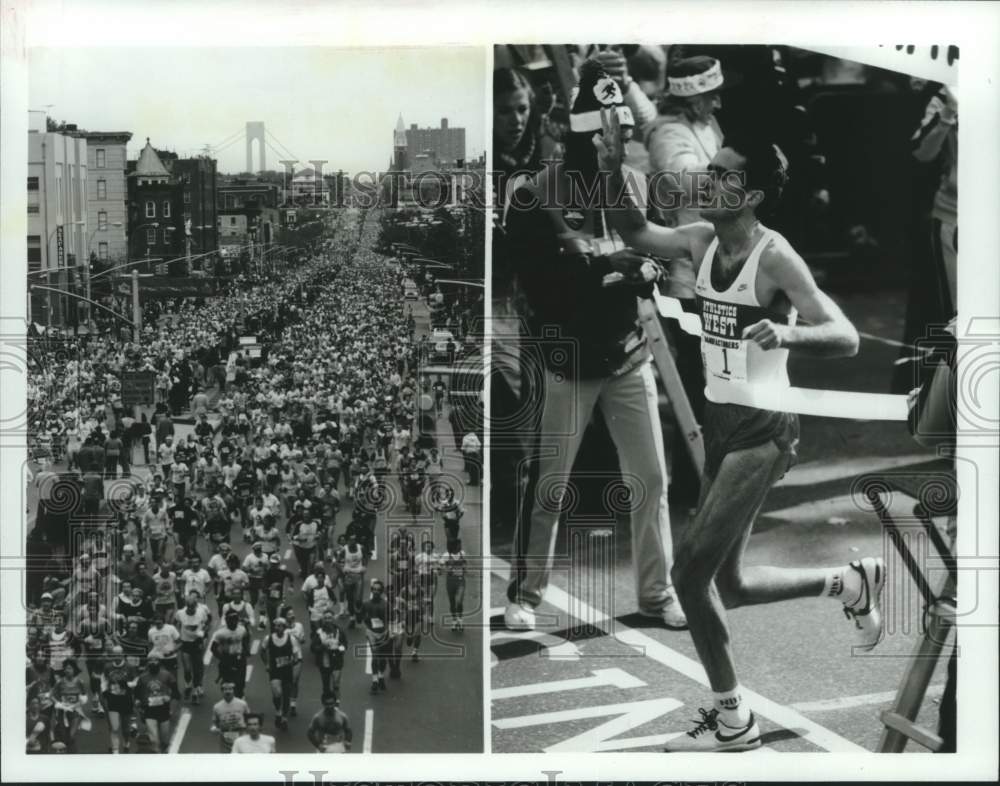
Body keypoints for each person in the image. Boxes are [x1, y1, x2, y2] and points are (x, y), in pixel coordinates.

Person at [598, 112, 886, 751]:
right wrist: (610, 161)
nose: (708, 177)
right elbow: (635, 229)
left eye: (723, 174)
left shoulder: (775, 256)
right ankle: (847, 581)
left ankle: (734, 722)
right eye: (712, 167)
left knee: (689, 574)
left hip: (765, 430)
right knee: (732, 583)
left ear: (750, 195)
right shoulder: (702, 240)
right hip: (721, 424)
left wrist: (787, 331)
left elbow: (845, 335)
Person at [500, 60, 686, 634]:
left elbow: (655, 249)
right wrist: (607, 266)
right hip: (566, 359)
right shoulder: (536, 193)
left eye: (626, 131)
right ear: (587, 134)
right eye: (614, 133)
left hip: (628, 351)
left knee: (652, 477)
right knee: (550, 481)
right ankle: (526, 595)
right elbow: (535, 283)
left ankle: (657, 592)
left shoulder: (630, 183)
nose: (624, 141)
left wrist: (648, 267)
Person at [134, 652, 180, 754]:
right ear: (147, 663)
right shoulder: (142, 677)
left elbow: (176, 693)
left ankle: (163, 753)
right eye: (150, 660)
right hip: (149, 711)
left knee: (165, 741)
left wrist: (171, 707)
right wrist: (139, 705)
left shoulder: (167, 675)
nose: (153, 662)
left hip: (164, 710)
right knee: (154, 741)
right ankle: (157, 758)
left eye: (155, 660)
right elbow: (136, 694)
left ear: (159, 662)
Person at [261, 617, 299, 730]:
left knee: (286, 694)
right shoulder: (268, 638)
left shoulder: (291, 639)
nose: (277, 628)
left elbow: (296, 654)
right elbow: (262, 651)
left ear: (284, 627)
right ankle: (278, 710)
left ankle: (284, 718)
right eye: (276, 626)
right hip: (275, 670)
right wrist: (267, 664)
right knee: (277, 693)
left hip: (287, 669)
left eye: (280, 626)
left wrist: (293, 660)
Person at [174, 591, 211, 704]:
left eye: (192, 607)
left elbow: (207, 623)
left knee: (197, 667)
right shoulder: (180, 613)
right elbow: (175, 623)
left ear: (195, 605)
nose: (191, 609)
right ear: (186, 606)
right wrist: (178, 635)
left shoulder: (201, 613)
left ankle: (196, 690)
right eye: (189, 607)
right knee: (187, 669)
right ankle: (188, 685)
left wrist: (203, 633)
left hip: (197, 643)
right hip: (185, 644)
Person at [100, 645, 139, 753]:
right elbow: (103, 680)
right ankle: (115, 751)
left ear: (122, 654)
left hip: (126, 700)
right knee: (114, 727)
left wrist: (127, 684)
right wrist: (104, 691)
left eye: (119, 654)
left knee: (125, 729)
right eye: (114, 654)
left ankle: (126, 742)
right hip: (113, 700)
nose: (117, 656)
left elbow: (136, 681)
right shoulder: (107, 667)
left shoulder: (129, 667)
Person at [210, 610, 251, 699]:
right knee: (228, 682)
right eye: (230, 620)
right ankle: (229, 697)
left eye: (235, 619)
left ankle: (239, 695)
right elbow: (213, 648)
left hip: (240, 658)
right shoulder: (220, 633)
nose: (233, 622)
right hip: (227, 658)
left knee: (240, 680)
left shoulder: (242, 629)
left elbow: (245, 638)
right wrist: (222, 658)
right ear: (227, 620)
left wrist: (246, 650)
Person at [362, 579, 391, 693]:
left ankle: (381, 676)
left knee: (383, 657)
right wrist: (369, 625)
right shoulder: (366, 604)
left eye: (378, 590)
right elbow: (363, 617)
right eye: (374, 589)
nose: (376, 592)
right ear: (371, 590)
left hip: (383, 632)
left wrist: (387, 631)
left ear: (382, 591)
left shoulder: (386, 604)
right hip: (372, 632)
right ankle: (374, 681)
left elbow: (390, 619)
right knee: (375, 655)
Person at [211, 681, 250, 753]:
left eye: (230, 689)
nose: (227, 691)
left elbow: (249, 718)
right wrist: (214, 729)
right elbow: (214, 723)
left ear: (234, 691)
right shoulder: (217, 707)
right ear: (222, 691)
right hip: (225, 738)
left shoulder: (242, 704)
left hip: (241, 735)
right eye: (225, 689)